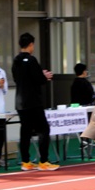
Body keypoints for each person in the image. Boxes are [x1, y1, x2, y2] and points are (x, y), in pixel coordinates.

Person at [12, 32, 59, 171]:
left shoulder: (16, 60)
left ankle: (25, 161)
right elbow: (39, 79)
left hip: (20, 101)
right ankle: (43, 161)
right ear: (31, 44)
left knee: (25, 131)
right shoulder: (32, 60)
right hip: (33, 101)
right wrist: (45, 76)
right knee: (43, 129)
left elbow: (17, 79)